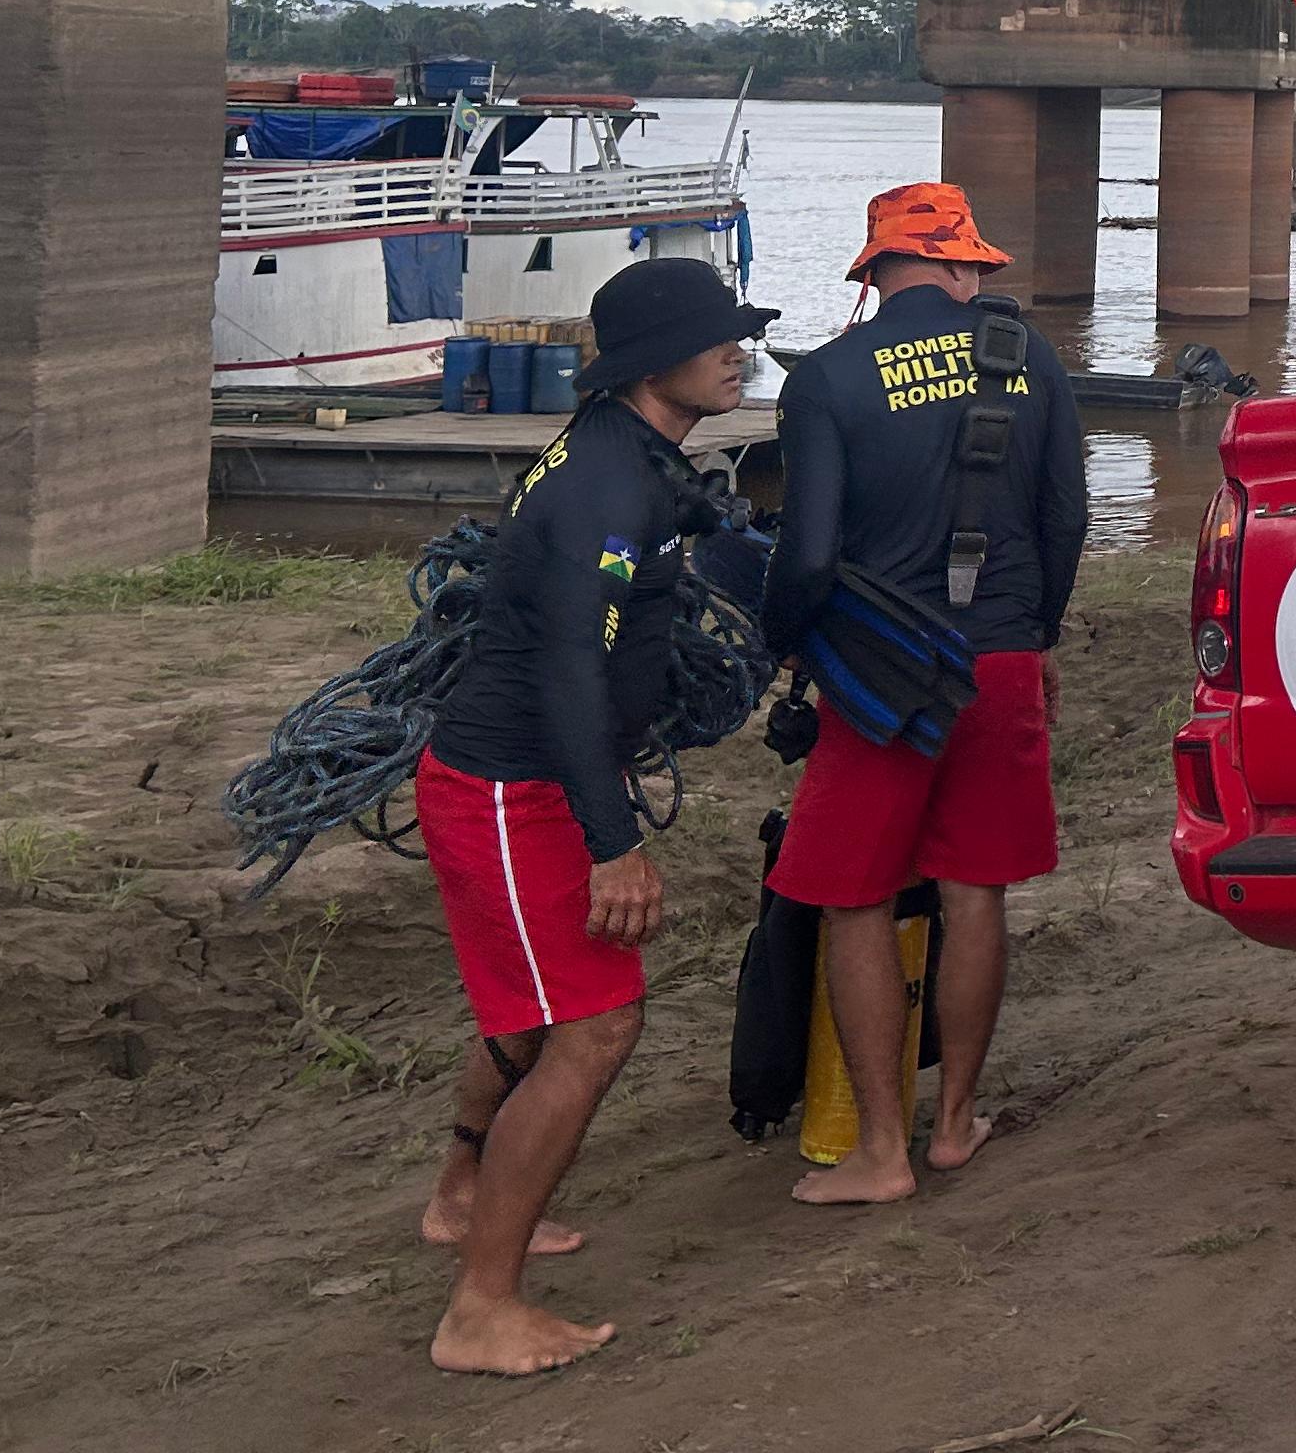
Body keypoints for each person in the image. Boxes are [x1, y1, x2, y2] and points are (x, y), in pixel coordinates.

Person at [415, 254, 771, 1375]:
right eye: (719, 338)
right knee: (597, 1023)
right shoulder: (604, 491)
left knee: (531, 1016)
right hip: (514, 792)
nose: (740, 351)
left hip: (530, 781)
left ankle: (464, 1196)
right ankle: (482, 1308)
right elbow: (572, 670)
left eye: (741, 334)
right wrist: (613, 843)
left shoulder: (637, 460)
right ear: (648, 361)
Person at [758, 183, 1087, 1204]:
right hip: (998, 663)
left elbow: (806, 556)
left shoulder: (825, 379)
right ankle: (954, 1127)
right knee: (972, 889)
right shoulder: (1031, 360)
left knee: (853, 899)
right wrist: (1033, 640)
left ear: (875, 272)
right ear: (957, 269)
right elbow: (1067, 519)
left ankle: (880, 1154)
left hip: (880, 679)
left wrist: (790, 649)